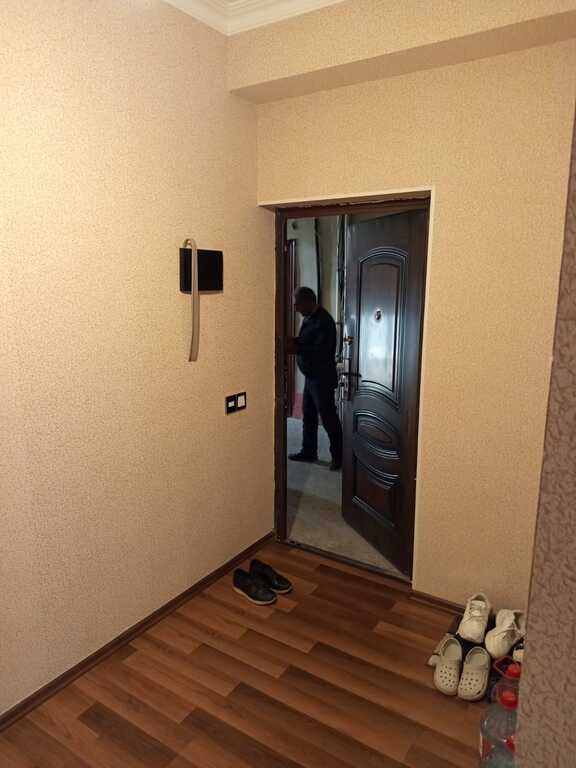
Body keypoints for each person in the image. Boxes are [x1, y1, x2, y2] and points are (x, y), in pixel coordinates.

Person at [287, 287, 343, 471]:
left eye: (297, 304)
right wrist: (295, 342)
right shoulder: (309, 318)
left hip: (322, 378)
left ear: (308, 301)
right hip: (311, 377)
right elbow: (306, 341)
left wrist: (295, 347)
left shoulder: (324, 322)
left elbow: (319, 351)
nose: (295, 308)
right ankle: (309, 451)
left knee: (328, 419)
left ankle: (338, 457)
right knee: (308, 416)